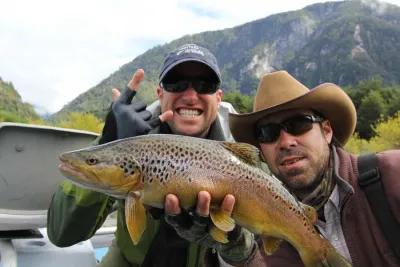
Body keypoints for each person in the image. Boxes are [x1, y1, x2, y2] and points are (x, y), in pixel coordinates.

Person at [47, 44, 264, 267]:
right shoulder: (125, 142)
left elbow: (259, 253)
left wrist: (234, 241)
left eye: (204, 85)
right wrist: (108, 138)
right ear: (160, 93)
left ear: (218, 98)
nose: (190, 96)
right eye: (176, 83)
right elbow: (61, 233)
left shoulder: (242, 158)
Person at [229, 70, 400, 267]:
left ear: (326, 131)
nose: (285, 142)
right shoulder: (266, 236)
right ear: (262, 150)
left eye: (298, 124)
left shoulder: (393, 175)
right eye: (268, 133)